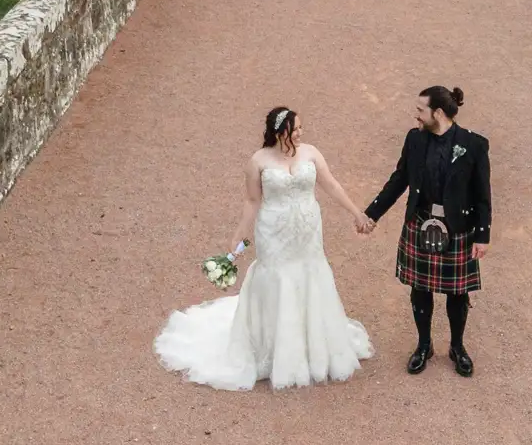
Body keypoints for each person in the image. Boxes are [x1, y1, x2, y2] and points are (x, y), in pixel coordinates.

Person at [155, 106, 375, 390]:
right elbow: (251, 202)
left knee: (311, 275)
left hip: (307, 233)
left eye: (300, 129)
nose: (300, 134)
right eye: (295, 130)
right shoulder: (258, 161)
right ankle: (273, 351)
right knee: (278, 280)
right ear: (279, 132)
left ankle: (311, 345)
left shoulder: (311, 152)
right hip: (274, 233)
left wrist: (357, 213)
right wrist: (237, 237)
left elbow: (330, 184)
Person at [364, 85, 491, 377]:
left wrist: (482, 235)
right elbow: (399, 181)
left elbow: (483, 195)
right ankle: (424, 345)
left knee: (458, 292)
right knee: (420, 289)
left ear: (438, 112)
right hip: (421, 223)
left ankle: (457, 347)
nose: (416, 115)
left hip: (458, 229)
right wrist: (372, 214)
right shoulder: (415, 140)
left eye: (421, 110)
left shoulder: (473, 145)